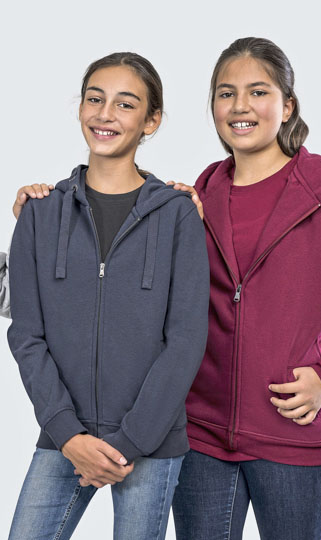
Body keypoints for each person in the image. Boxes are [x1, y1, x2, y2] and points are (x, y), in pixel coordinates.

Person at [2, 37, 321, 540]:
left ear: (287, 106)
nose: (240, 106)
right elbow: (108, 293)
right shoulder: (198, 196)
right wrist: (40, 224)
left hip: (292, 435)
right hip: (201, 439)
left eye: (258, 92)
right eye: (225, 93)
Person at [4, 51, 209, 540]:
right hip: (63, 435)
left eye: (125, 104)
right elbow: (27, 334)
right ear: (80, 108)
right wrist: (67, 434)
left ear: (150, 121)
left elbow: (185, 339)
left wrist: (131, 441)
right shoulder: (39, 213)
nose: (105, 114)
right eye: (95, 99)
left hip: (150, 441)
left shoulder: (178, 214)